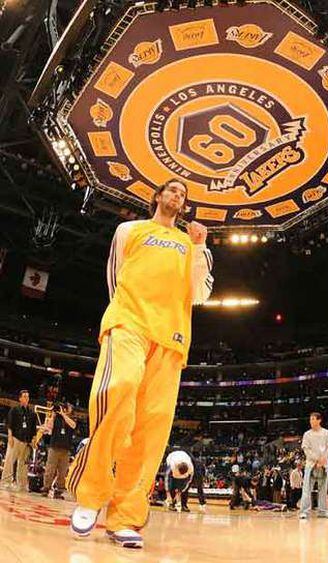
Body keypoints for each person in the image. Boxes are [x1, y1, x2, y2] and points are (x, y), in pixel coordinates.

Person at [66, 178, 213, 549]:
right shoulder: (129, 229)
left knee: (151, 431)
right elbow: (115, 276)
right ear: (158, 196)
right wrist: (125, 313)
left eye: (183, 194)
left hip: (172, 339)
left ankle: (125, 517)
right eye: (172, 190)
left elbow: (201, 293)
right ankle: (89, 495)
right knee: (118, 389)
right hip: (129, 323)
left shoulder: (191, 244)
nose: (177, 196)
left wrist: (199, 247)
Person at [299, 412, 328, 520]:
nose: (311, 421)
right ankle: (304, 511)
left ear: (319, 420)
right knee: (306, 489)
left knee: (323, 489)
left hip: (324, 465)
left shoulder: (327, 433)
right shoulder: (307, 434)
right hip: (311, 465)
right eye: (310, 419)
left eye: (313, 419)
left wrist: (324, 459)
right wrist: (316, 459)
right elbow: (306, 450)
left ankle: (323, 511)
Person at [0, 390, 36, 491]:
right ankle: (5, 482)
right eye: (24, 396)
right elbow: (10, 425)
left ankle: (22, 485)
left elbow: (33, 430)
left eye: (28, 397)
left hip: (26, 442)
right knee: (9, 461)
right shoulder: (14, 410)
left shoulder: (32, 413)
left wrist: (33, 441)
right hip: (15, 439)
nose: (26, 398)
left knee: (23, 465)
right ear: (20, 398)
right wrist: (10, 437)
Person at [42, 403, 77, 499]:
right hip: (54, 447)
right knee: (50, 469)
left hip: (66, 449)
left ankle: (59, 491)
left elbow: (73, 425)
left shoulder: (72, 419)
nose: (67, 409)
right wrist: (53, 416)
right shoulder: (56, 418)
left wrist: (63, 414)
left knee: (62, 472)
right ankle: (46, 488)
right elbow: (49, 428)